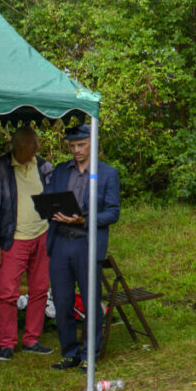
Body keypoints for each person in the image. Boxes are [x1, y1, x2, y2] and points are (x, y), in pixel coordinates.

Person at [44, 124, 121, 369]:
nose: (75, 150)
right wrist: (50, 210)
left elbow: (113, 212)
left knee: (91, 300)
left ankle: (90, 354)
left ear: (93, 143)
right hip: (60, 242)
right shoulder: (60, 171)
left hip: (86, 241)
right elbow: (48, 197)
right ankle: (70, 353)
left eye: (81, 145)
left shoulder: (107, 173)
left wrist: (85, 220)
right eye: (72, 145)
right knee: (62, 300)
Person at [0, 127, 55, 361]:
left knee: (40, 289)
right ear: (17, 145)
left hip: (42, 235)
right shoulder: (0, 169)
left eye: (37, 142)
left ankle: (32, 339)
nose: (37, 147)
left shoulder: (43, 166)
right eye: (32, 143)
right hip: (12, 238)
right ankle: (6, 343)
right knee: (8, 293)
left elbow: (54, 198)